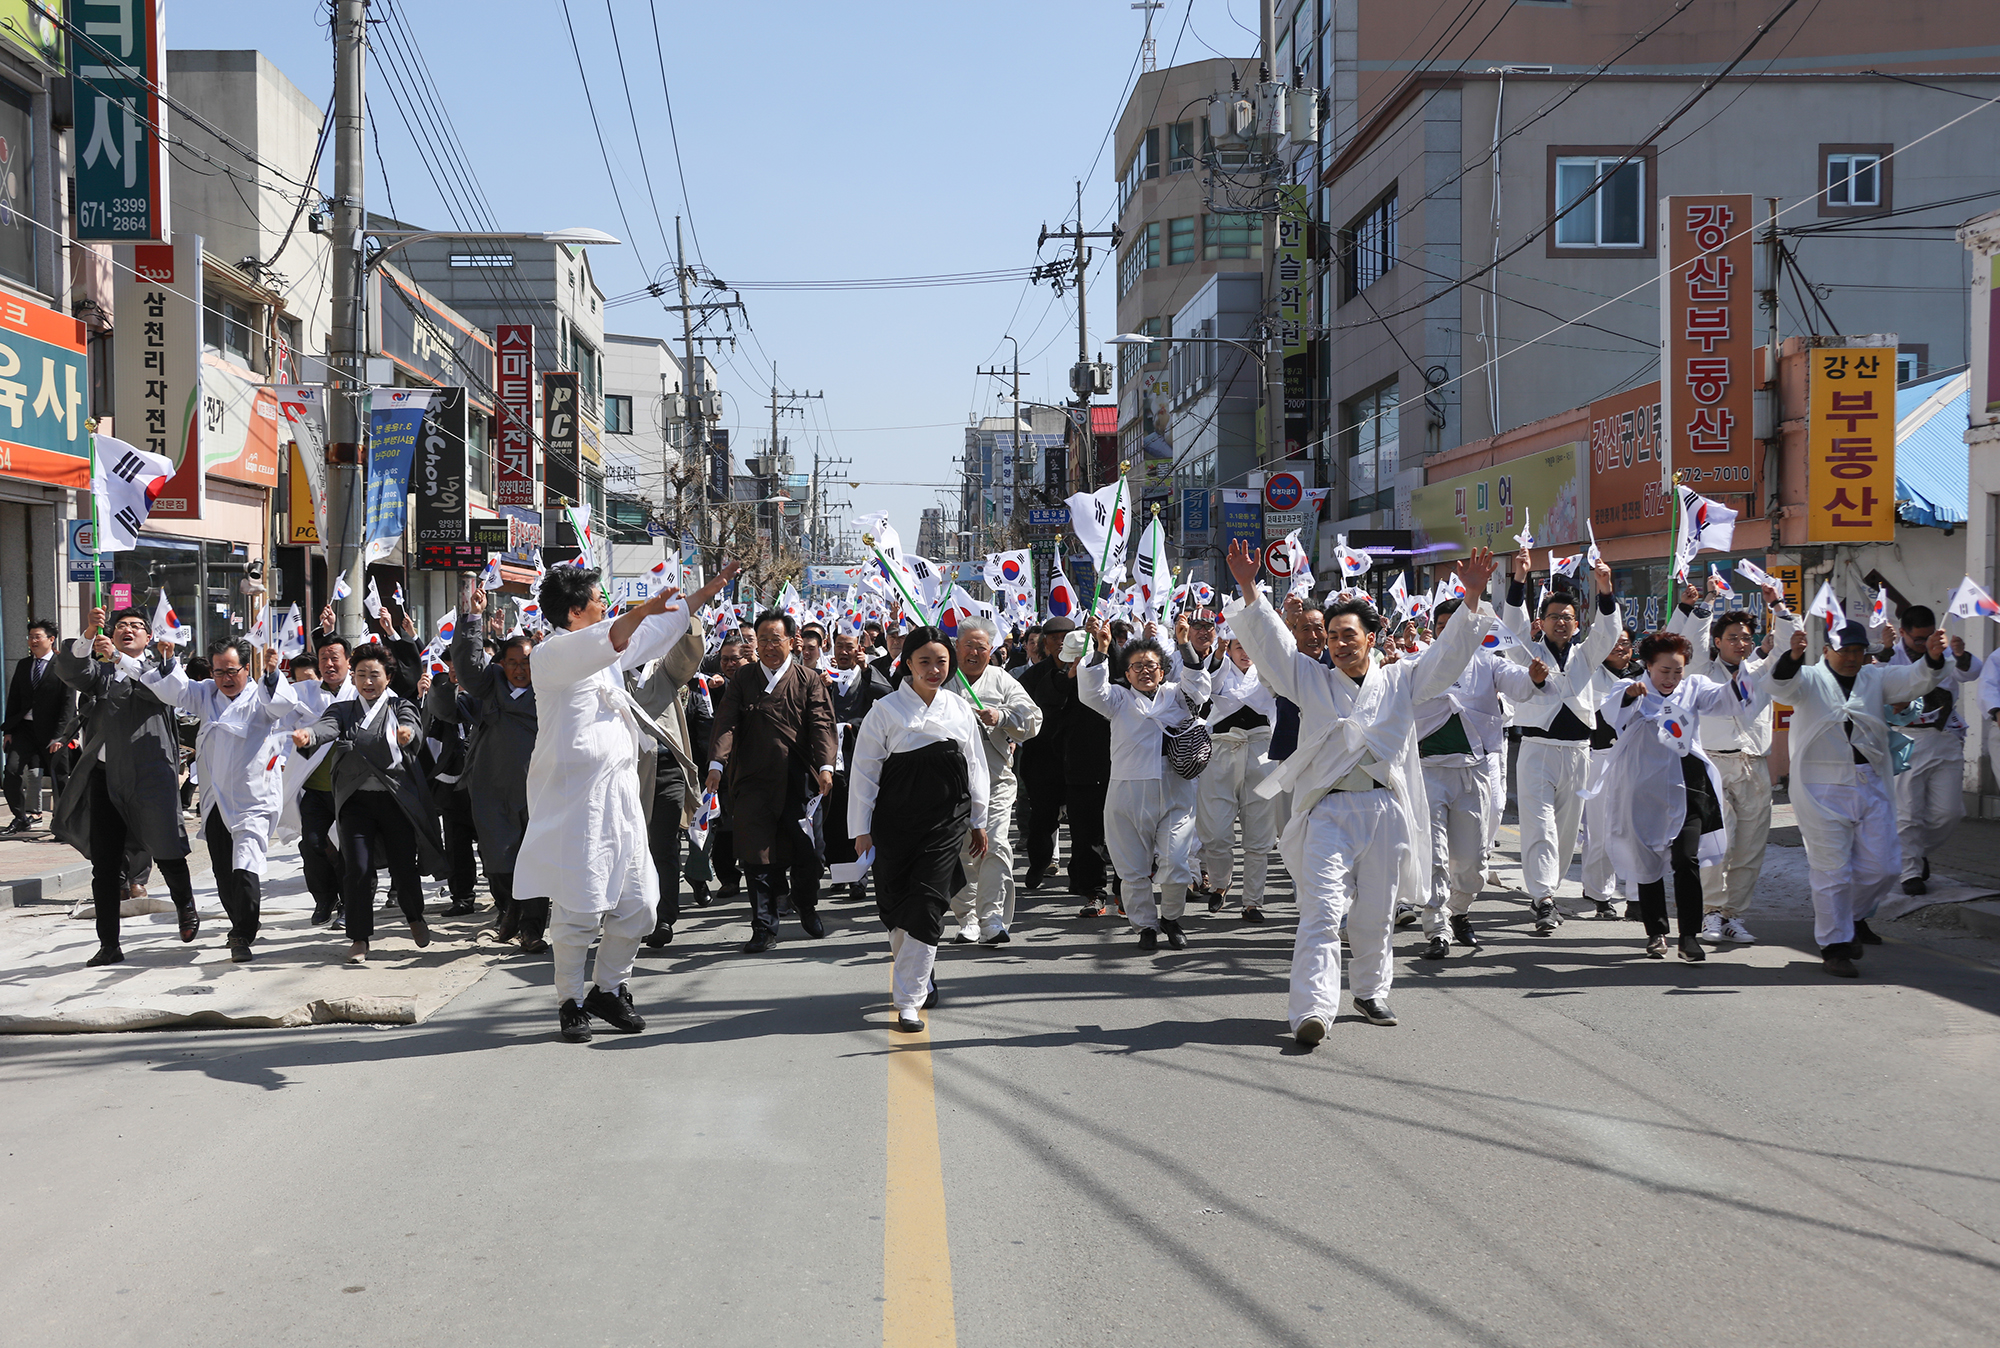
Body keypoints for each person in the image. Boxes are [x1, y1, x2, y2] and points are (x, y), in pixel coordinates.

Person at [1225, 541, 1500, 1046]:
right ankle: (1312, 1008)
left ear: (1371, 638)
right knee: (1323, 911)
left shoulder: (1402, 679)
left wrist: (1473, 599)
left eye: (1348, 635)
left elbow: (1447, 657)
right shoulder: (1308, 678)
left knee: (1375, 911)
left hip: (1383, 810)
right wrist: (1247, 587)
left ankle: (1371, 990)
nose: (1338, 644)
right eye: (1330, 636)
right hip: (1327, 810)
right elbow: (1272, 645)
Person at [514, 568, 691, 1041]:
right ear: (575, 611)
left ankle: (609, 990)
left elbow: (651, 634)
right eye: (598, 597)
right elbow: (615, 636)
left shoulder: (603, 651)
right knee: (579, 911)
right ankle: (570, 1001)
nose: (604, 602)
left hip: (621, 798)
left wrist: (710, 589)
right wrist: (644, 609)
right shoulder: (552, 653)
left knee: (640, 907)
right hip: (578, 804)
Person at [1766, 619, 1947, 977]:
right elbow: (1780, 687)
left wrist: (1934, 658)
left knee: (1884, 868)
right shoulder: (1811, 678)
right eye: (1844, 649)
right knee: (1832, 870)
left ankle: (1850, 917)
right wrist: (1792, 657)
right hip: (1821, 786)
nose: (1851, 657)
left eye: (1857, 650)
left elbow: (1915, 680)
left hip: (1869, 782)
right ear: (1827, 651)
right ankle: (1835, 946)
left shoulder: (1875, 678)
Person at [849, 626, 990, 1032]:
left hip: (945, 823)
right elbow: (865, 772)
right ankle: (919, 971)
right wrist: (861, 828)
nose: (933, 669)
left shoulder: (959, 708)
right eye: (924, 661)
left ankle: (908, 1000)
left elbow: (976, 766)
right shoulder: (886, 709)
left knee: (928, 905)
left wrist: (978, 819)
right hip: (894, 824)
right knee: (896, 908)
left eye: (941, 662)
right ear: (907, 663)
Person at [50, 606, 203, 965]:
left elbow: (162, 691)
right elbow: (73, 670)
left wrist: (118, 657)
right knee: (104, 866)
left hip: (149, 774)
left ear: (149, 637)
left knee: (166, 847)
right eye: (120, 626)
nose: (127, 630)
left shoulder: (161, 670)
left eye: (136, 626)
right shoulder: (101, 674)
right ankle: (109, 944)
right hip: (105, 778)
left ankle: (185, 905)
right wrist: (89, 634)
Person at [142, 637, 299, 962]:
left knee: (245, 866)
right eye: (218, 672)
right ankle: (237, 923)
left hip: (252, 798)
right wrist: (169, 661)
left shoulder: (260, 696)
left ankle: (242, 933)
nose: (226, 679)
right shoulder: (206, 694)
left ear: (246, 668)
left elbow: (282, 705)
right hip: (215, 800)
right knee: (223, 871)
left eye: (232, 671)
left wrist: (271, 675)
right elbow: (175, 691)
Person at [1412, 599, 1549, 958]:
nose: (1448, 632)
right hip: (1429, 774)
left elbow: (1520, 684)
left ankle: (1458, 911)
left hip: (1473, 774)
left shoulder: (1489, 664)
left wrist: (1534, 676)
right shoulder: (1417, 665)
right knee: (1435, 856)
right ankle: (1436, 927)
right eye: (1442, 625)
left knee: (1473, 862)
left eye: (1456, 625)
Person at [1668, 577, 1801, 939]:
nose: (1741, 644)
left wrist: (1778, 606)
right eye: (1732, 638)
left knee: (1750, 846)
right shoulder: (1701, 674)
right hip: (1713, 765)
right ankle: (1711, 911)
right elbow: (1691, 643)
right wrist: (1707, 602)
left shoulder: (1761, 671)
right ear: (1718, 642)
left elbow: (1790, 646)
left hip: (1755, 765)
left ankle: (1733, 915)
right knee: (1715, 845)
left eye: (1746, 638)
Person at [293, 643, 442, 963]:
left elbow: (412, 726)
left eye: (374, 675)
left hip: (394, 800)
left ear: (388, 677)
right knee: (357, 870)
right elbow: (325, 727)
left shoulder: (399, 706)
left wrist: (406, 734)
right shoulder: (344, 710)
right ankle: (359, 938)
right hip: (355, 803)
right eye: (361, 674)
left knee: (404, 869)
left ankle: (415, 916)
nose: (367, 681)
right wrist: (309, 735)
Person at [1597, 630, 1741, 961]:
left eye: (1678, 671)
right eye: (1665, 671)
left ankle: (1689, 936)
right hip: (1642, 790)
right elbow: (1610, 715)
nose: (1672, 678)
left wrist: (1754, 670)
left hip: (1687, 786)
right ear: (1647, 666)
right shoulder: (1628, 688)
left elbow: (1725, 700)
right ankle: (1656, 932)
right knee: (1646, 862)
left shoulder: (1694, 687)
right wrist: (1632, 696)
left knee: (1685, 858)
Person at [1500, 549, 1622, 933]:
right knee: (1540, 826)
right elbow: (1512, 629)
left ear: (1575, 623)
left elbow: (1608, 633)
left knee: (1568, 831)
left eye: (1568, 618)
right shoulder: (1529, 653)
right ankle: (1543, 899)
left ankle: (1548, 889)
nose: (1561, 623)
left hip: (1578, 753)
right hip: (1538, 750)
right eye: (1554, 617)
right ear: (1543, 621)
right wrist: (1519, 580)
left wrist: (1604, 590)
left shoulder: (1586, 656)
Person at [1076, 612, 1212, 951]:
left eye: (1151, 665)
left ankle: (1171, 917)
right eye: (1136, 666)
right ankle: (1145, 926)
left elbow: (1199, 686)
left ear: (1163, 670)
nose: (1144, 670)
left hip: (1174, 791)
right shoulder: (1118, 700)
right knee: (1132, 869)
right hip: (1127, 792)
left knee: (1177, 862)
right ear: (1125, 673)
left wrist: (1182, 644)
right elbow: (1091, 690)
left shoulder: (1177, 697)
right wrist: (1100, 649)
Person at [705, 610, 838, 953]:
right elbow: (726, 724)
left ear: (791, 642)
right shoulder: (744, 679)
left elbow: (822, 724)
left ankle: (806, 904)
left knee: (811, 853)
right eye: (761, 639)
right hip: (753, 780)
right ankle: (763, 925)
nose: (767, 646)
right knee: (757, 855)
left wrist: (825, 765)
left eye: (774, 639)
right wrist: (717, 764)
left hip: (800, 781)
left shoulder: (808, 679)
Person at [627, 568, 733, 950]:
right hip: (624, 772)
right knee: (629, 847)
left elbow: (688, 655)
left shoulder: (663, 669)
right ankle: (631, 912)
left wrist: (687, 612)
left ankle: (663, 916)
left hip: (666, 768)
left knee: (663, 845)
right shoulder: (608, 671)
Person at [452, 599, 543, 949]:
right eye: (513, 663)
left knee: (534, 858)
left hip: (535, 786)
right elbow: (467, 665)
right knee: (498, 859)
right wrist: (475, 619)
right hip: (490, 785)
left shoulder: (547, 688)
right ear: (501, 663)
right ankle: (509, 910)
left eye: (527, 663)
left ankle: (532, 928)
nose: (520, 670)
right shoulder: (489, 683)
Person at [944, 616, 1041, 944]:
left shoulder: (1002, 680)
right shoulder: (941, 678)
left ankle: (991, 917)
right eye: (967, 645)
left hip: (995, 778)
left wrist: (1002, 717)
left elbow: (1033, 719)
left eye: (980, 647)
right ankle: (967, 916)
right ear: (956, 647)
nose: (973, 652)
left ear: (993, 650)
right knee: (960, 853)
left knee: (996, 845)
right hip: (952, 784)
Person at [1878, 604, 1980, 896]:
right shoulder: (1891, 656)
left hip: (1945, 736)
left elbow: (1971, 673)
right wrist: (1885, 650)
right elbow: (1878, 680)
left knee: (1949, 812)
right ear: (1903, 634)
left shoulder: (1945, 654)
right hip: (1905, 738)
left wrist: (1959, 655)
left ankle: (1913, 851)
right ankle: (1909, 871)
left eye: (1928, 637)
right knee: (1907, 812)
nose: (1923, 644)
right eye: (1917, 639)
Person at [1194, 636, 1279, 921]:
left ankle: (1252, 902)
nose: (1246, 653)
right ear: (1228, 649)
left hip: (1261, 751)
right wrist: (1217, 654)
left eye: (1251, 645)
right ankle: (1221, 882)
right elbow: (1207, 687)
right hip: (1221, 750)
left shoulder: (1268, 670)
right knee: (1216, 832)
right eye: (1239, 646)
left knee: (1259, 834)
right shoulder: (1217, 670)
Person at [287, 635, 355, 926]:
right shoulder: (306, 692)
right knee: (313, 843)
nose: (328, 664)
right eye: (323, 658)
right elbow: (275, 703)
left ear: (348, 662)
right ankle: (325, 898)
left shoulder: (360, 692)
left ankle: (349, 906)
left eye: (334, 658)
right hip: (315, 788)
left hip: (350, 790)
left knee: (349, 848)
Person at [824, 629, 894, 901]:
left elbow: (886, 695)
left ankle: (860, 878)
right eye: (839, 646)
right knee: (834, 819)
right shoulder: (825, 678)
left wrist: (867, 670)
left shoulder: (867, 677)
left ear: (859, 649)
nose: (844, 652)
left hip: (859, 755)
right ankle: (840, 875)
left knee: (860, 817)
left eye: (849, 647)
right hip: (832, 758)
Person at [1579, 627, 1640, 919]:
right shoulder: (1590, 674)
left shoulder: (1645, 673)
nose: (1619, 647)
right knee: (1601, 831)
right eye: (1613, 642)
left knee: (1637, 831)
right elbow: (1600, 713)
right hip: (1601, 757)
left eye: (1624, 642)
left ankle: (1638, 897)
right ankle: (1600, 895)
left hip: (1639, 761)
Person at [1015, 618, 1076, 893]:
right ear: (1045, 643)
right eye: (1054, 637)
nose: (1061, 642)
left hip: (1080, 756)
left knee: (1084, 821)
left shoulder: (1092, 670)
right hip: (1043, 757)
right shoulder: (1033, 675)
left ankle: (1083, 876)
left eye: (1067, 636)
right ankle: (1039, 863)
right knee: (1042, 819)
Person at [4, 619, 73, 833]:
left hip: (53, 732)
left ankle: (61, 823)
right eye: (30, 637)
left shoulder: (63, 665)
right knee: (12, 771)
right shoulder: (24, 665)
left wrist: (60, 736)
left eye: (37, 637)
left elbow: (68, 703)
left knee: (58, 778)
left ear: (51, 640)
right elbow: (14, 698)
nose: (32, 641)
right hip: (24, 729)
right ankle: (21, 817)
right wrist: (8, 730)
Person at [706, 633, 750, 899]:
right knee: (723, 825)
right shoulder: (712, 686)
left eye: (735, 659)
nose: (729, 664)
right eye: (725, 659)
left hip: (751, 764)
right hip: (720, 766)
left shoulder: (757, 682)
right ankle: (728, 878)